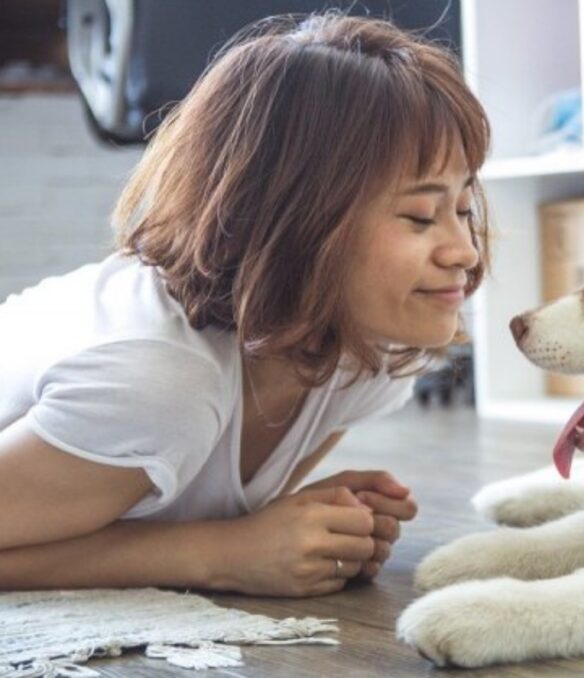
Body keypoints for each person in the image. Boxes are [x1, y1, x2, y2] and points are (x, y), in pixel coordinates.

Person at [0, 12, 490, 598]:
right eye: (418, 216)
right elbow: (209, 539)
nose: (464, 250)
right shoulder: (158, 382)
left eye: (463, 209)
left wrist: (304, 526)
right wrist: (219, 554)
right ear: (292, 221)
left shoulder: (365, 355)